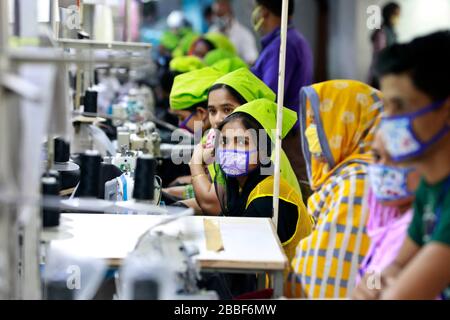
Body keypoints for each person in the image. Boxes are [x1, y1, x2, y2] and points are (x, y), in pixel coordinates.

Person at [354, 31, 450, 300]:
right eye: (386, 107)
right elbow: (392, 267)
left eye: (400, 106)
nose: (390, 121)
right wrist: (375, 283)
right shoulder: (431, 189)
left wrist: (379, 286)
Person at [287, 80, 383, 299]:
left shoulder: (359, 182)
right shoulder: (347, 174)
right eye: (310, 123)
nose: (311, 131)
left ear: (351, 124)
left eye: (318, 123)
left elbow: (330, 271)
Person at [189, 68, 302, 215]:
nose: (217, 119)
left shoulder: (266, 153)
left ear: (249, 109)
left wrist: (195, 163)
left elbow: (214, 206)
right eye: (212, 111)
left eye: (227, 110)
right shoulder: (221, 143)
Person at [215, 98, 312, 263]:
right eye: (224, 141)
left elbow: (236, 253)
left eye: (242, 142)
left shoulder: (268, 199)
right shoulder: (241, 186)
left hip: (288, 286)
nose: (230, 149)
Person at [250, 0, 314, 201]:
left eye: (255, 7)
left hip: (285, 135)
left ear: (264, 11)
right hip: (292, 131)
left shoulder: (282, 44)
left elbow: (268, 94)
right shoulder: (293, 40)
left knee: (291, 192)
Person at [354, 131, 420, 288]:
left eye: (397, 159)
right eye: (377, 157)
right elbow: (373, 282)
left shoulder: (412, 230)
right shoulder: (386, 226)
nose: (382, 168)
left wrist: (369, 289)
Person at [166, 67, 224, 190]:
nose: (180, 124)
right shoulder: (209, 137)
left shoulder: (223, 141)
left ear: (201, 113)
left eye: (182, 118)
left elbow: (215, 199)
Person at [209, 0, 259, 65]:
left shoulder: (243, 34)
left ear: (231, 10)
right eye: (218, 15)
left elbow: (252, 60)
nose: (218, 7)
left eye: (222, 15)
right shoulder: (212, 32)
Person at [368, 2, 400, 88]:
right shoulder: (381, 32)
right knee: (376, 99)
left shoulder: (392, 32)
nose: (398, 17)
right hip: (379, 75)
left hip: (388, 74)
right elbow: (382, 54)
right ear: (388, 15)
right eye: (395, 14)